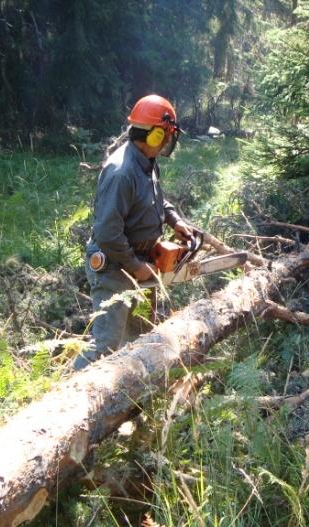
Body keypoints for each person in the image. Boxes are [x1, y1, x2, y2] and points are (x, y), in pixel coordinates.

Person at [74, 94, 195, 370]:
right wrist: (136, 267)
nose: (166, 142)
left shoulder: (146, 162)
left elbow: (155, 200)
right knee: (105, 346)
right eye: (164, 135)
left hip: (140, 262)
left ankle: (126, 399)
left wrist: (174, 220)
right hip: (116, 266)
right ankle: (69, 398)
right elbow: (107, 233)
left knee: (139, 340)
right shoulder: (121, 172)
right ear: (153, 136)